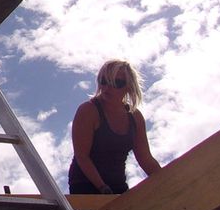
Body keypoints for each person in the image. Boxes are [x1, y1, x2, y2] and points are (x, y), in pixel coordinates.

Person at [68, 59, 161, 194]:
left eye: (117, 83)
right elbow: (82, 156)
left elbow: (145, 159)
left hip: (118, 186)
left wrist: (167, 183)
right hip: (85, 184)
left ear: (129, 86)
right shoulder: (89, 110)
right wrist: (102, 188)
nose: (107, 88)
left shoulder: (135, 117)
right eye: (104, 81)